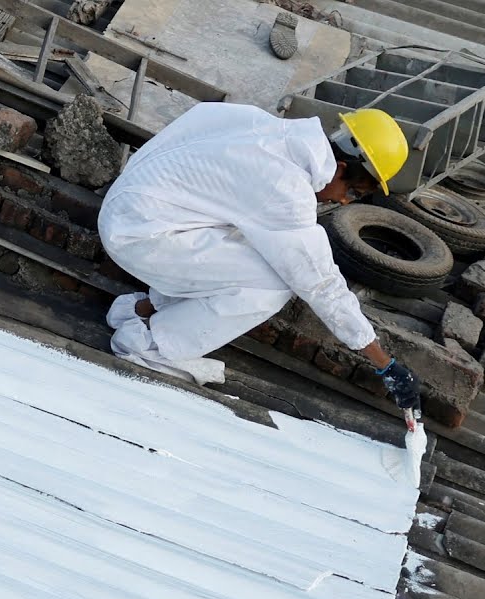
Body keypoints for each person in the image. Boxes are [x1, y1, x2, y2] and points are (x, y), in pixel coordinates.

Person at [99, 102, 421, 415]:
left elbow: (198, 118)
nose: (343, 201)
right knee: (274, 283)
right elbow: (320, 284)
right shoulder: (286, 189)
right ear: (340, 169)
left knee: (254, 243)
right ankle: (151, 344)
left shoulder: (263, 127)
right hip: (142, 235)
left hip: (131, 207)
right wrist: (385, 365)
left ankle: (142, 311)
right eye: (352, 193)